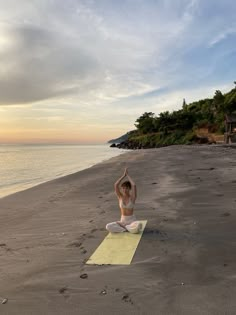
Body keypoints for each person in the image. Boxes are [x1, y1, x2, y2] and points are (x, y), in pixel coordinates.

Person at [106, 167, 142, 234]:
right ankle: (125, 229)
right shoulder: (120, 197)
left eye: (126, 188)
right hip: (122, 221)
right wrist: (123, 175)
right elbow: (116, 185)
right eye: (123, 188)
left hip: (131, 221)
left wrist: (127, 175)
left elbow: (134, 185)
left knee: (138, 225)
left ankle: (128, 228)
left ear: (129, 189)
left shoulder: (132, 198)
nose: (124, 190)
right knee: (108, 226)